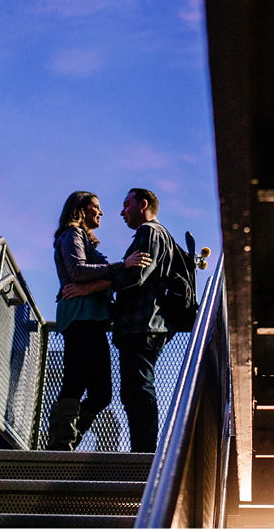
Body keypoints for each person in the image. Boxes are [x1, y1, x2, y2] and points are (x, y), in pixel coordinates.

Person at [46, 191, 149, 451]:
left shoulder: (87, 240)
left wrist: (103, 282)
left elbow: (99, 281)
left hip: (93, 319)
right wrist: (122, 265)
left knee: (102, 393)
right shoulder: (72, 234)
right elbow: (77, 270)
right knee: (74, 381)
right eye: (96, 207)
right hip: (80, 317)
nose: (101, 212)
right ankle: (59, 446)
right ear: (80, 210)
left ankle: (66, 441)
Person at [110, 187, 177, 452]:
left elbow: (137, 275)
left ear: (143, 204)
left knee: (138, 387)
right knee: (135, 389)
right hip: (146, 324)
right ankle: (142, 448)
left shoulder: (149, 231)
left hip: (142, 324)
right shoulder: (160, 234)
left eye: (127, 204)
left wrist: (99, 284)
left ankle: (144, 452)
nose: (122, 211)